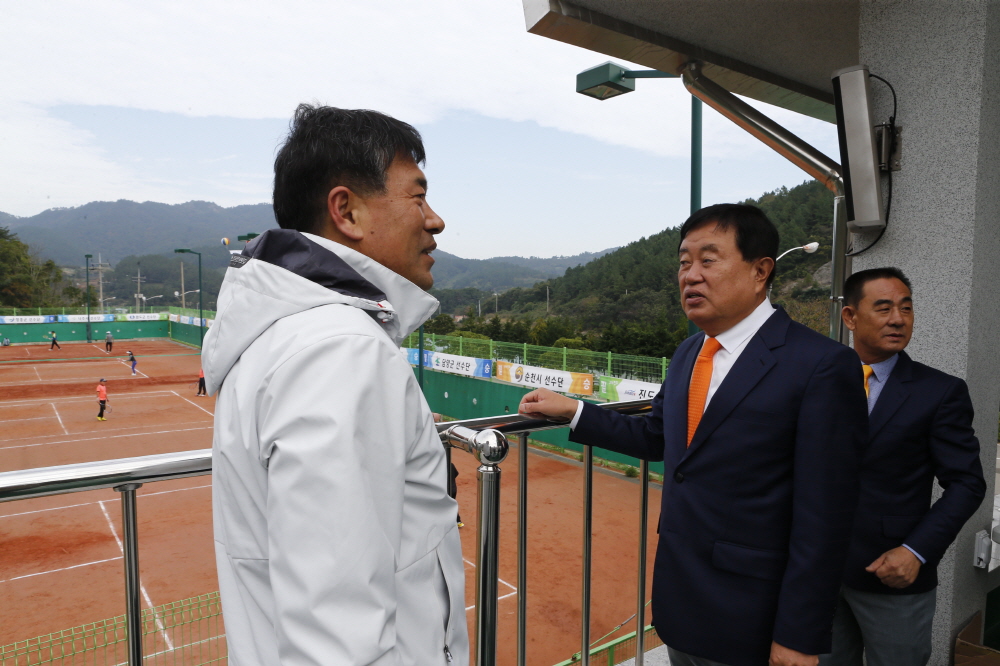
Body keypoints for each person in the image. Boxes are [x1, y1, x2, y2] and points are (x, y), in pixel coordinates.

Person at [519, 204, 868, 666]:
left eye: (709, 259)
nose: (691, 275)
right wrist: (575, 411)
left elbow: (825, 516)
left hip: (754, 616)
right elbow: (656, 436)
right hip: (681, 603)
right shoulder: (688, 353)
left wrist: (800, 635)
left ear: (761, 270)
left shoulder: (821, 365)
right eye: (684, 262)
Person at [201, 105, 466, 665]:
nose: (435, 220)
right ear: (346, 211)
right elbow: (336, 634)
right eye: (417, 197)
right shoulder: (340, 350)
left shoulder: (282, 332)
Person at [820, 268, 986, 666]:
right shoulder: (817, 381)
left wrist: (916, 551)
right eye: (883, 307)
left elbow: (966, 483)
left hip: (891, 578)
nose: (898, 318)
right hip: (817, 571)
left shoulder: (940, 392)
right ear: (850, 317)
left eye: (906, 308)